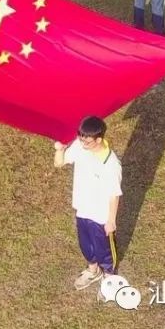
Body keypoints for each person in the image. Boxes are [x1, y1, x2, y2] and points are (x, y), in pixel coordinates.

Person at [53, 116, 122, 290]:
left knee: (105, 251)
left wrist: (111, 220)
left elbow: (114, 194)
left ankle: (109, 279)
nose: (83, 144)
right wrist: (59, 150)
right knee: (86, 245)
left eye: (87, 142)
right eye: (81, 139)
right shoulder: (80, 145)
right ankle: (93, 271)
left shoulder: (111, 164)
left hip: (100, 215)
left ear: (99, 139)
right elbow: (59, 163)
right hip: (82, 209)